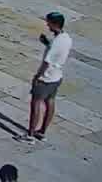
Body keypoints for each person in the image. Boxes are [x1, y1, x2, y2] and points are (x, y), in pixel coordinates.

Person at [19, 11, 72, 143]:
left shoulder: (55, 43)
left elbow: (47, 62)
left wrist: (37, 76)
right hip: (57, 76)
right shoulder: (66, 38)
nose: (47, 25)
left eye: (48, 23)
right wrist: (47, 44)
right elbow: (57, 53)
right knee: (50, 101)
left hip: (46, 78)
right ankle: (42, 132)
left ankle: (30, 135)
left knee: (36, 104)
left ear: (55, 24)